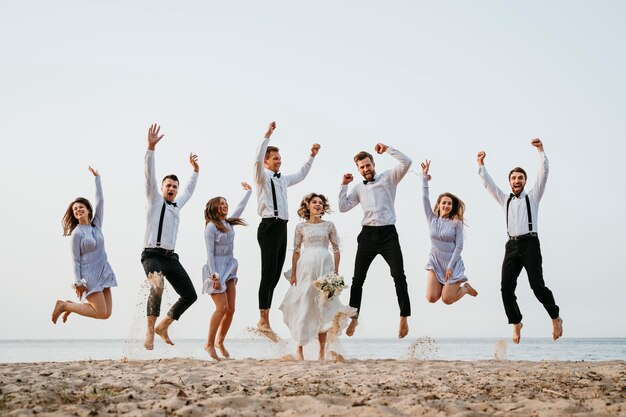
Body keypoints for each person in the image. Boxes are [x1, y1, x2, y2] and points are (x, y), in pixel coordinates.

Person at [477, 138, 563, 344]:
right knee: (506, 287)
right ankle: (516, 322)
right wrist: (481, 165)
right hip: (512, 246)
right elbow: (488, 185)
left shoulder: (533, 197)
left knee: (537, 286)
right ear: (509, 182)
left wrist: (541, 151)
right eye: (514, 178)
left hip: (531, 244)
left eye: (520, 178)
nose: (517, 181)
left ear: (524, 181)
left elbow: (543, 174)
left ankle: (555, 317)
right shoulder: (504, 199)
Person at [253, 121, 320, 335]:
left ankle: (265, 318)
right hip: (268, 227)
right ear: (266, 161)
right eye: (275, 159)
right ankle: (263, 318)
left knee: (274, 274)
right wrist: (267, 136)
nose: (278, 162)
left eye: (280, 159)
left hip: (282, 228)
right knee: (267, 272)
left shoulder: (282, 180)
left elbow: (301, 174)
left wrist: (311, 156)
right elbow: (255, 160)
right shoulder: (261, 176)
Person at [339, 143, 412, 338]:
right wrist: (344, 184)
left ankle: (404, 316)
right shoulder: (358, 188)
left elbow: (407, 162)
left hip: (388, 234)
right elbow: (343, 207)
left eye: (368, 165)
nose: (366, 169)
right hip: (367, 236)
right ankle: (354, 318)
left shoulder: (389, 178)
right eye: (362, 167)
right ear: (358, 170)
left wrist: (388, 149)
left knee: (399, 276)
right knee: (357, 280)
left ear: (373, 164)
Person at [141, 123, 199, 350]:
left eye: (175, 186)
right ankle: (149, 332)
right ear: (162, 188)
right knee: (157, 286)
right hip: (152, 255)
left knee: (190, 295)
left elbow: (190, 191)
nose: (172, 188)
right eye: (168, 185)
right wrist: (151, 148)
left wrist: (195, 171)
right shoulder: (154, 200)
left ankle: (164, 324)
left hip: (170, 258)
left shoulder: (177, 205)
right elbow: (149, 175)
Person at [279, 193, 356, 361]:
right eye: (314, 202)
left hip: (325, 267)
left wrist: (335, 272)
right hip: (305, 269)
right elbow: (296, 251)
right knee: (303, 306)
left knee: (324, 308)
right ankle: (299, 349)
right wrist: (293, 274)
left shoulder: (329, 225)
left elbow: (336, 249)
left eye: (321, 203)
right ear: (307, 206)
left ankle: (322, 351)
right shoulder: (301, 228)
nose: (318, 205)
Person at [52, 166, 117, 324]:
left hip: (104, 270)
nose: (78, 210)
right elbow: (75, 260)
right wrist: (78, 283)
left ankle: (69, 306)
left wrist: (97, 179)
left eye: (81, 207)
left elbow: (100, 201)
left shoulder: (97, 225)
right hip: (89, 275)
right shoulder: (77, 233)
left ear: (88, 210)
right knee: (100, 313)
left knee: (107, 314)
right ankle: (63, 305)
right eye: (75, 209)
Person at [202, 182, 252, 360]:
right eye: (221, 203)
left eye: (226, 203)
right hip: (215, 268)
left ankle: (220, 341)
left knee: (231, 309)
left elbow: (240, 207)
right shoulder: (211, 227)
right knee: (221, 307)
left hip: (230, 267)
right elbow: (209, 252)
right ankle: (208, 343)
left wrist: (249, 192)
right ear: (215, 207)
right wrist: (214, 275)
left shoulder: (229, 223)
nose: (225, 205)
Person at [420, 160, 478, 305]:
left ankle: (464, 288)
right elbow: (424, 198)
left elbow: (459, 246)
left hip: (451, 263)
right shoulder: (431, 219)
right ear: (439, 205)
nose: (446, 205)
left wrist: (450, 267)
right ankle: (442, 286)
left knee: (447, 299)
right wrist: (424, 177)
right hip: (435, 261)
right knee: (432, 298)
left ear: (452, 207)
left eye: (449, 203)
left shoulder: (456, 223)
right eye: (444, 202)